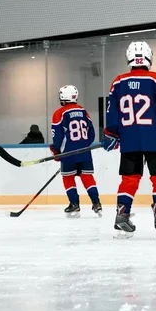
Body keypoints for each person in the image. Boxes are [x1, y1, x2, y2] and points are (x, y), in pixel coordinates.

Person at [103, 41, 156, 238]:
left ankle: (122, 216)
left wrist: (112, 133)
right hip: (153, 136)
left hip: (129, 138)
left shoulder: (118, 82)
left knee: (129, 179)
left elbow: (112, 112)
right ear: (149, 57)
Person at [50, 85, 102, 217]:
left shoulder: (59, 113)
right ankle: (96, 203)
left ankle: (74, 204)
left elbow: (57, 135)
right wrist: (84, 145)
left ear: (62, 97)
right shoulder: (84, 111)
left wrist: (56, 150)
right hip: (85, 151)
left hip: (68, 152)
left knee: (68, 178)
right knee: (87, 177)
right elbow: (92, 133)